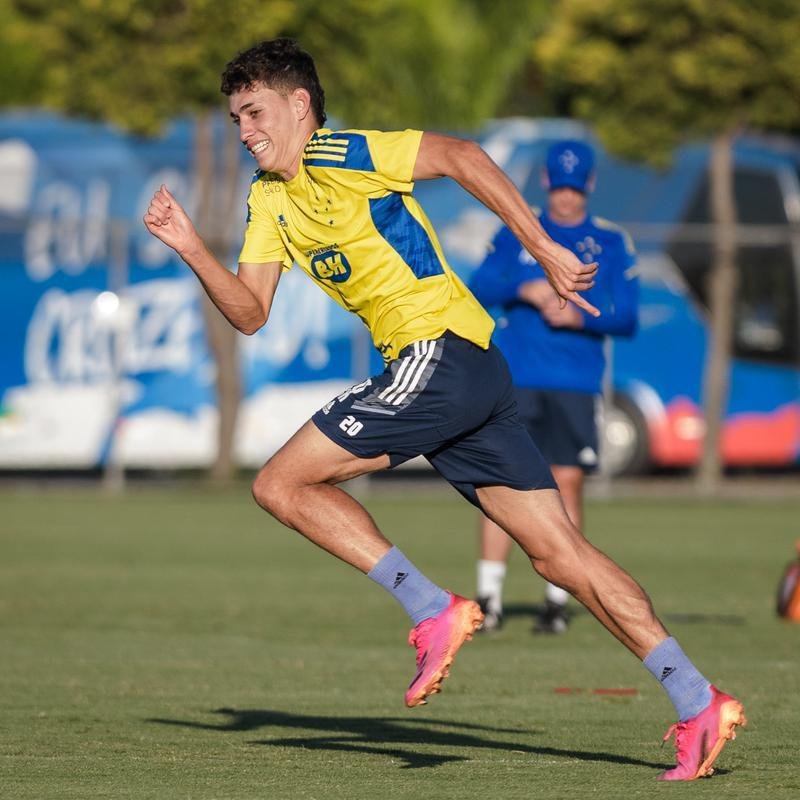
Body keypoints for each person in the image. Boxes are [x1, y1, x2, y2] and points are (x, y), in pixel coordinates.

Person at [143, 38, 745, 780]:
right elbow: (250, 313)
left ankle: (432, 606)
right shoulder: (269, 198)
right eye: (236, 117)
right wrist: (190, 248)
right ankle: (698, 700)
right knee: (560, 555)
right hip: (466, 374)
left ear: (300, 105)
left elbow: (461, 155)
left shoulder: (340, 153)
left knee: (279, 484)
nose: (244, 131)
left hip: (442, 353)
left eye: (255, 112)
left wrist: (545, 250)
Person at [471, 140, 638, 635]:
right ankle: (489, 598)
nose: (565, 197)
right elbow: (478, 285)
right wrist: (523, 289)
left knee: (566, 485)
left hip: (575, 383)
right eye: (557, 186)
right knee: (501, 484)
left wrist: (576, 319)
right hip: (515, 381)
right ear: (545, 182)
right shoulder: (519, 231)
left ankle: (557, 601)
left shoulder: (609, 242)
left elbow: (626, 317)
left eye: (574, 187)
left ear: (588, 184)